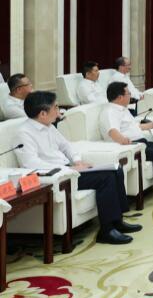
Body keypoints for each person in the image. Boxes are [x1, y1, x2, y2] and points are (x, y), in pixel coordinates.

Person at [16, 91, 141, 245]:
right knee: (106, 178)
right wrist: (68, 169)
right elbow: (31, 163)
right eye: (55, 107)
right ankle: (106, 231)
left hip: (69, 170)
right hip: (58, 176)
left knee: (116, 170)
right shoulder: (24, 133)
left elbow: (66, 145)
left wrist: (77, 161)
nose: (59, 110)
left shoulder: (48, 126)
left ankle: (117, 221)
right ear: (42, 113)